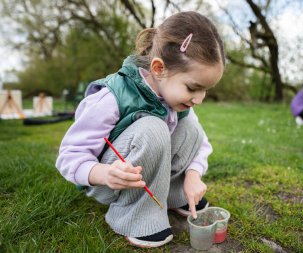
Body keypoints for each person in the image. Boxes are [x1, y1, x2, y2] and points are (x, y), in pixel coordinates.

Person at [56, 11, 225, 248]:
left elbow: (201, 142)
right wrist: (105, 174)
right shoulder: (113, 96)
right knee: (153, 127)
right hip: (111, 182)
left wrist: (193, 175)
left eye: (205, 90)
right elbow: (69, 156)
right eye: (193, 88)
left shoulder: (177, 99)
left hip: (145, 174)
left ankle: (174, 195)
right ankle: (134, 215)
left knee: (191, 128)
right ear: (158, 68)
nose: (199, 99)